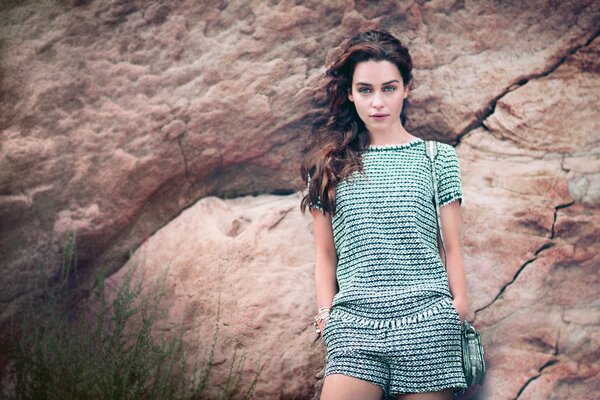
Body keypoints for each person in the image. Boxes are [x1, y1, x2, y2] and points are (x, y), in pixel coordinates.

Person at [300, 29, 471, 400]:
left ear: (406, 88)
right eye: (365, 90)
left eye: (389, 88)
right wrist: (327, 318)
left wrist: (456, 309)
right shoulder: (329, 166)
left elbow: (453, 246)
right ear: (349, 93)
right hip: (354, 328)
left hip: (428, 326)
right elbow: (325, 254)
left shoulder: (437, 157)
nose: (377, 102)